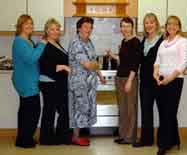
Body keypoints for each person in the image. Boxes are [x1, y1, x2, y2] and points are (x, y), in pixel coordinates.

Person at [153, 15, 187, 155]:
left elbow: (182, 64)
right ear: (166, 26)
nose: (171, 26)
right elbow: (157, 61)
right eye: (169, 24)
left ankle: (164, 144)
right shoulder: (163, 42)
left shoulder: (182, 41)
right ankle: (175, 139)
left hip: (174, 81)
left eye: (174, 24)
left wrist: (169, 79)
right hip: (160, 80)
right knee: (164, 112)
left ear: (179, 27)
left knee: (169, 112)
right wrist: (155, 74)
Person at [68, 17, 106, 146]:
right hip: (79, 83)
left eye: (90, 27)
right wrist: (95, 64)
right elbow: (88, 64)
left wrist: (100, 75)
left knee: (84, 109)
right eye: (85, 27)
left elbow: (94, 61)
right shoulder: (76, 43)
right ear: (79, 28)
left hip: (88, 83)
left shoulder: (88, 42)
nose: (88, 30)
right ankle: (76, 137)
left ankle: (79, 136)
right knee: (78, 109)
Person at [12, 14, 46, 148]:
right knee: (32, 111)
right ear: (20, 26)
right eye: (26, 23)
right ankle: (25, 141)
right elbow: (31, 58)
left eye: (31, 23)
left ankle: (23, 138)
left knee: (26, 111)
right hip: (26, 81)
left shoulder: (27, 40)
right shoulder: (20, 41)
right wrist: (42, 44)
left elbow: (32, 59)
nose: (30, 26)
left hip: (27, 80)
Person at [107, 17, 142, 144]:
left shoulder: (135, 42)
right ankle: (123, 134)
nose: (125, 29)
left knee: (130, 109)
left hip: (129, 79)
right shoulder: (124, 41)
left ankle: (130, 137)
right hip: (120, 77)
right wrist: (112, 55)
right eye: (123, 26)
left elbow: (135, 63)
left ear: (132, 27)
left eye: (127, 26)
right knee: (122, 109)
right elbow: (123, 61)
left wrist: (130, 81)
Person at [39, 18, 71, 145]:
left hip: (59, 82)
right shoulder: (44, 44)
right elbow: (44, 66)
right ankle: (46, 139)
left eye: (57, 29)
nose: (55, 31)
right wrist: (63, 67)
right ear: (46, 31)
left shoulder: (56, 43)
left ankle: (61, 136)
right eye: (52, 29)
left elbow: (63, 59)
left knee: (63, 110)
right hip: (49, 82)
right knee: (50, 110)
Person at [133, 13, 163, 147]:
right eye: (146, 23)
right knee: (146, 111)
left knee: (163, 111)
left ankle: (164, 140)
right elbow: (138, 60)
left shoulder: (163, 40)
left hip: (159, 81)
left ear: (156, 24)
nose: (149, 25)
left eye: (151, 22)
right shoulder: (143, 41)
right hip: (145, 82)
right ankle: (146, 140)